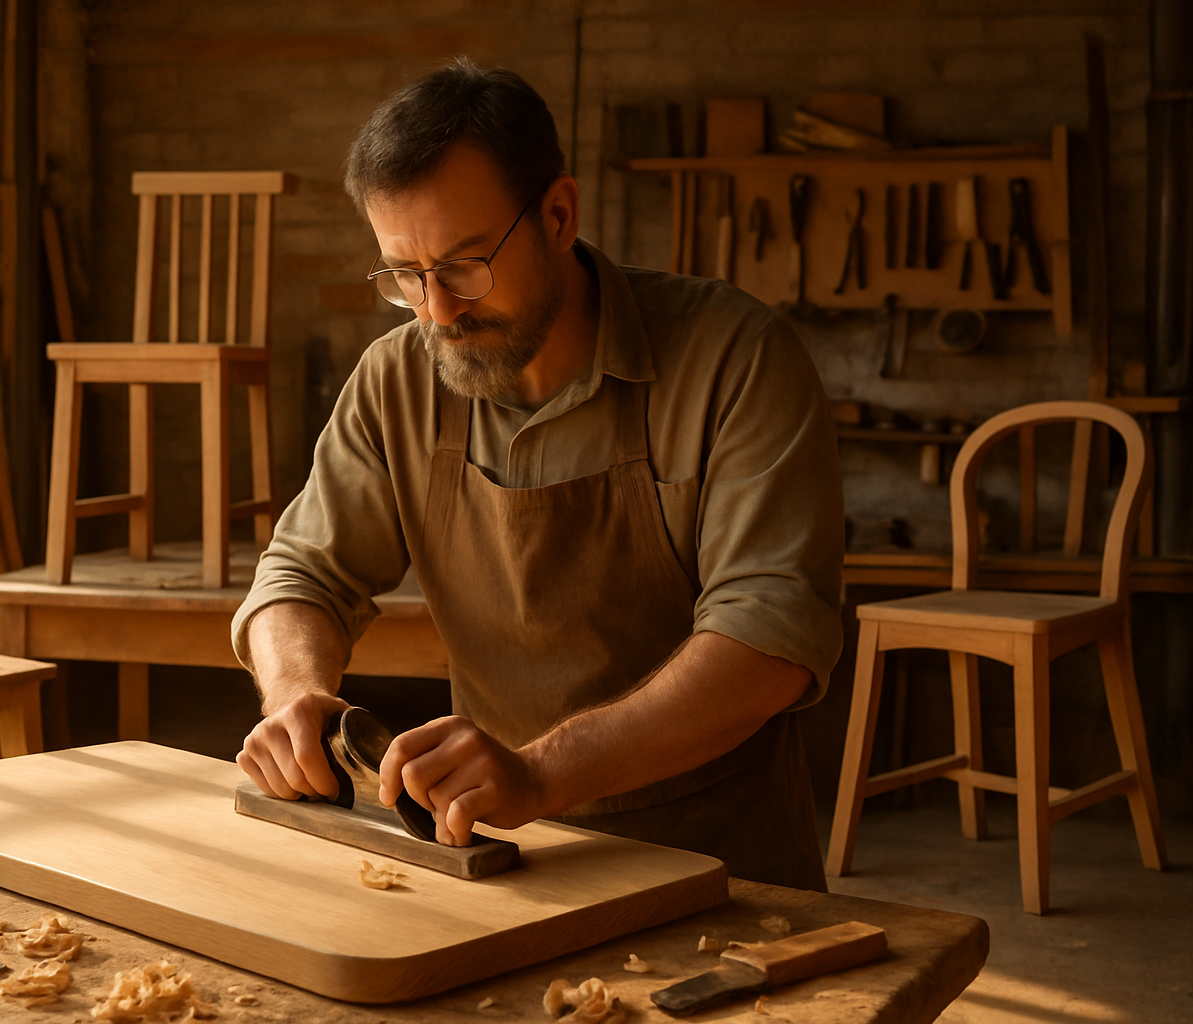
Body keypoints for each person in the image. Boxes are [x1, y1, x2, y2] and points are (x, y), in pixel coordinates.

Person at [230, 58, 843, 890]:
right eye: (404, 276)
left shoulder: (736, 358)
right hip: (496, 860)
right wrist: (294, 696)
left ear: (558, 215)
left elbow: (769, 637)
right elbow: (302, 573)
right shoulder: (397, 379)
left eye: (464, 265)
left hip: (722, 868)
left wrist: (542, 772)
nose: (438, 311)